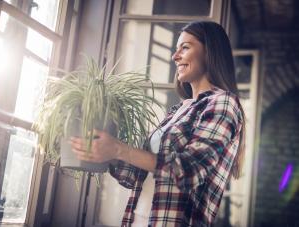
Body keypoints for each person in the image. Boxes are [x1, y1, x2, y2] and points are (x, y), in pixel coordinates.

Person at [71, 21, 246, 227]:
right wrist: (100, 150)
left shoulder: (223, 103)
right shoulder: (178, 110)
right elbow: (137, 175)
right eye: (176, 49)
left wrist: (119, 149)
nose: (175, 56)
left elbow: (189, 170)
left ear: (210, 52)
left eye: (185, 47)